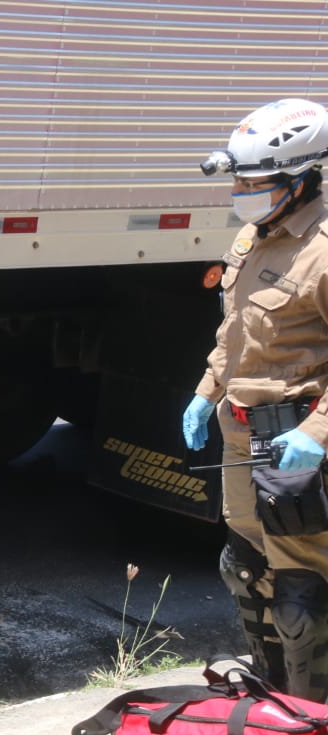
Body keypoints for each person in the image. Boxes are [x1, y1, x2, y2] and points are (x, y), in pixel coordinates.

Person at [183, 98, 328, 701]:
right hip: (241, 437)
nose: (242, 192)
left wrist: (316, 435)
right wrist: (205, 391)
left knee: (303, 595)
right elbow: (236, 330)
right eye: (239, 182)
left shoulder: (321, 251)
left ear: (300, 180)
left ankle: (314, 726)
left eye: (256, 183)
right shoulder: (252, 236)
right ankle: (274, 702)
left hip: (294, 441)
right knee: (245, 570)